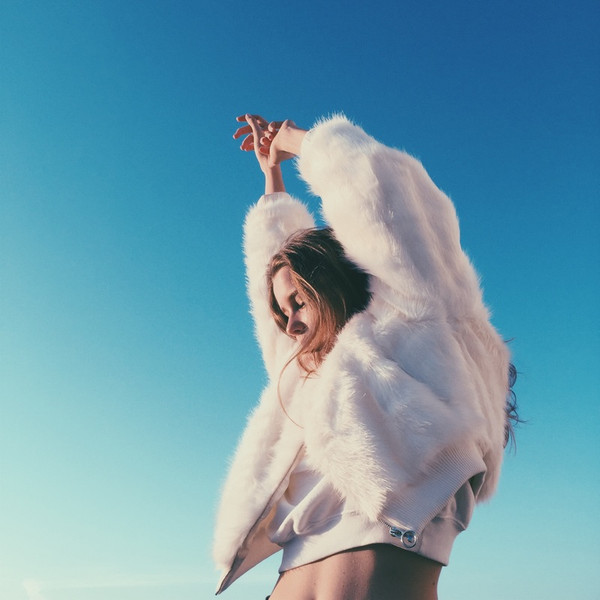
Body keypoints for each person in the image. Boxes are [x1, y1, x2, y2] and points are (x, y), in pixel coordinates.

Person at [213, 113, 516, 600]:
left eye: (298, 302)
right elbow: (272, 278)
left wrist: (295, 141)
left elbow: (383, 197)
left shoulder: (415, 332)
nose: (288, 324)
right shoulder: (308, 386)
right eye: (281, 312)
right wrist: (272, 180)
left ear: (333, 284)